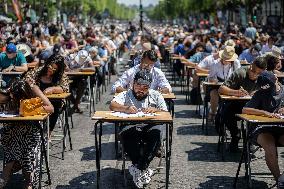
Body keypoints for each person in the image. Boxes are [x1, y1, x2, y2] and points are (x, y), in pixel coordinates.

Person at [109, 69, 168, 188]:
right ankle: (142, 167)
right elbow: (112, 105)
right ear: (132, 84)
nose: (141, 89)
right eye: (138, 85)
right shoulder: (126, 94)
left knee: (157, 133)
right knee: (128, 133)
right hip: (131, 125)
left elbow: (165, 112)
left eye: (145, 87)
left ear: (149, 87)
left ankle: (139, 168)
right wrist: (125, 108)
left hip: (150, 126)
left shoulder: (156, 95)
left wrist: (156, 109)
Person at [0, 79, 54, 189]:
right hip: (12, 130)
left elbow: (51, 108)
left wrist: (31, 109)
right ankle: (20, 175)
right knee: (14, 142)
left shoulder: (33, 89)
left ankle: (24, 177)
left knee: (27, 150)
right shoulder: (9, 93)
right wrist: (6, 97)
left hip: (31, 130)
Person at [242, 71, 284, 188]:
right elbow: (245, 110)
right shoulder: (261, 93)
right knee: (270, 148)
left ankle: (282, 178)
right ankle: (279, 180)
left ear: (275, 79)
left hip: (281, 127)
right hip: (263, 128)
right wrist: (265, 113)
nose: (268, 91)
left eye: (269, 87)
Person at [218, 57, 267, 152]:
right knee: (227, 113)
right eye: (253, 71)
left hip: (252, 106)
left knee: (263, 111)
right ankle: (235, 135)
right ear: (251, 65)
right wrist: (236, 92)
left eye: (258, 73)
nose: (254, 75)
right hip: (236, 104)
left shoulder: (264, 77)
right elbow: (221, 89)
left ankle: (252, 138)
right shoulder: (240, 73)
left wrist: (258, 92)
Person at [24, 54, 69, 136]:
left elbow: (65, 88)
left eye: (54, 69)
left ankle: (48, 132)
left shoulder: (61, 75)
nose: (51, 70)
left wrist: (53, 89)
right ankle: (35, 133)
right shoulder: (38, 71)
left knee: (55, 105)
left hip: (53, 103)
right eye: (50, 66)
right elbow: (27, 79)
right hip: (37, 101)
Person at [207, 46, 240, 118]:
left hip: (231, 87)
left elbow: (239, 77)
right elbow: (210, 78)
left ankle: (231, 116)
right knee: (214, 94)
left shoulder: (236, 63)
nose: (227, 61)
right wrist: (214, 80)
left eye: (229, 59)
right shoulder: (215, 64)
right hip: (217, 87)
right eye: (225, 59)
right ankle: (213, 113)